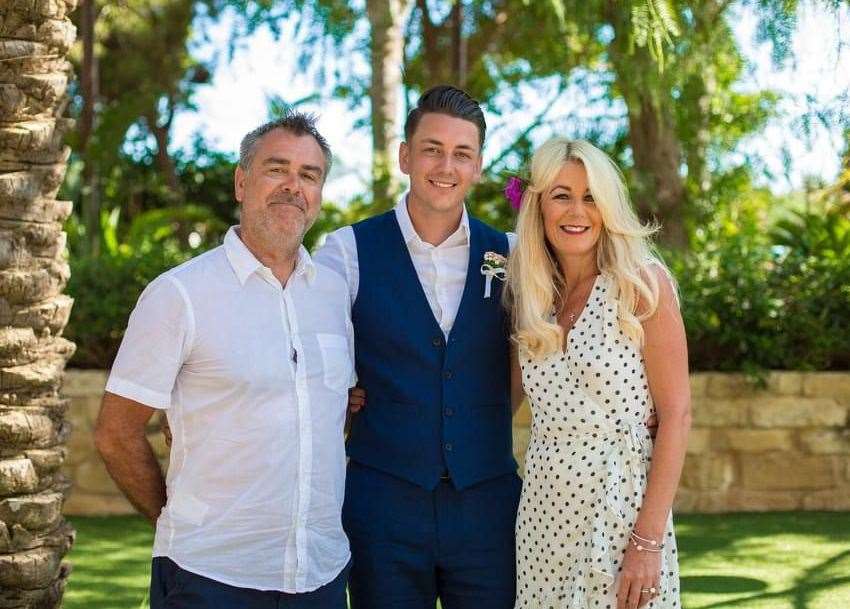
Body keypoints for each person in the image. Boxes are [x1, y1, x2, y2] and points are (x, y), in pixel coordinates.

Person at [94, 112, 354, 609]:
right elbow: (115, 433)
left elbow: (329, 407)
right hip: (208, 576)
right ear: (241, 182)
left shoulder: (334, 296)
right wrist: (175, 520)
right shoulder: (179, 295)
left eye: (309, 175)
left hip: (319, 576)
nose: (292, 187)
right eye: (276, 169)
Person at [314, 85, 521, 609]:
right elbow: (312, 360)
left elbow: (545, 355)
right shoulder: (345, 251)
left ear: (477, 166)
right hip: (382, 504)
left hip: (487, 505)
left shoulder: (513, 256)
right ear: (406, 155)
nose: (445, 165)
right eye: (432, 148)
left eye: (462, 153)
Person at [505, 138, 690, 609]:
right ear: (538, 205)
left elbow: (677, 416)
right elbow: (499, 400)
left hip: (623, 513)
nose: (577, 211)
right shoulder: (531, 296)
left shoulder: (642, 284)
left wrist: (647, 541)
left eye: (591, 197)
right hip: (544, 518)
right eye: (562, 195)